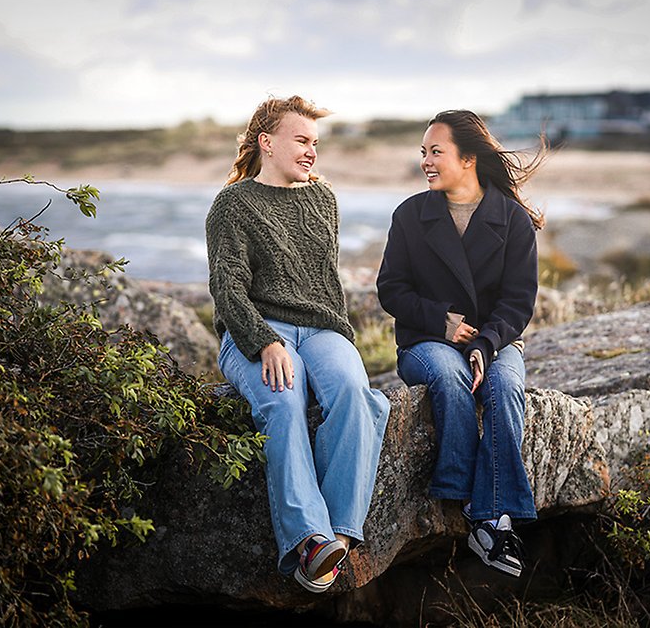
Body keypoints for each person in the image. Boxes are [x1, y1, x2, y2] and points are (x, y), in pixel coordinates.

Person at [206, 95, 390, 593]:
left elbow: (322, 283)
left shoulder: (323, 198)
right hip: (259, 330)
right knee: (284, 402)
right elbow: (226, 287)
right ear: (267, 143)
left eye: (316, 144)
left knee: (358, 395)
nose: (312, 152)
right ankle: (310, 541)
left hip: (323, 330)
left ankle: (339, 535)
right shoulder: (233, 203)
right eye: (302, 141)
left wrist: (336, 340)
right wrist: (263, 342)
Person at [376, 109, 546, 578]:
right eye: (423, 153)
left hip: (495, 340)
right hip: (425, 342)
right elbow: (391, 289)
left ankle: (488, 520)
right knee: (450, 379)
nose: (426, 161)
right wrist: (443, 324)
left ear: (468, 158)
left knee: (504, 388)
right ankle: (474, 501)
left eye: (436, 152)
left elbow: (518, 304)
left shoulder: (511, 221)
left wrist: (487, 343)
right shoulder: (410, 215)